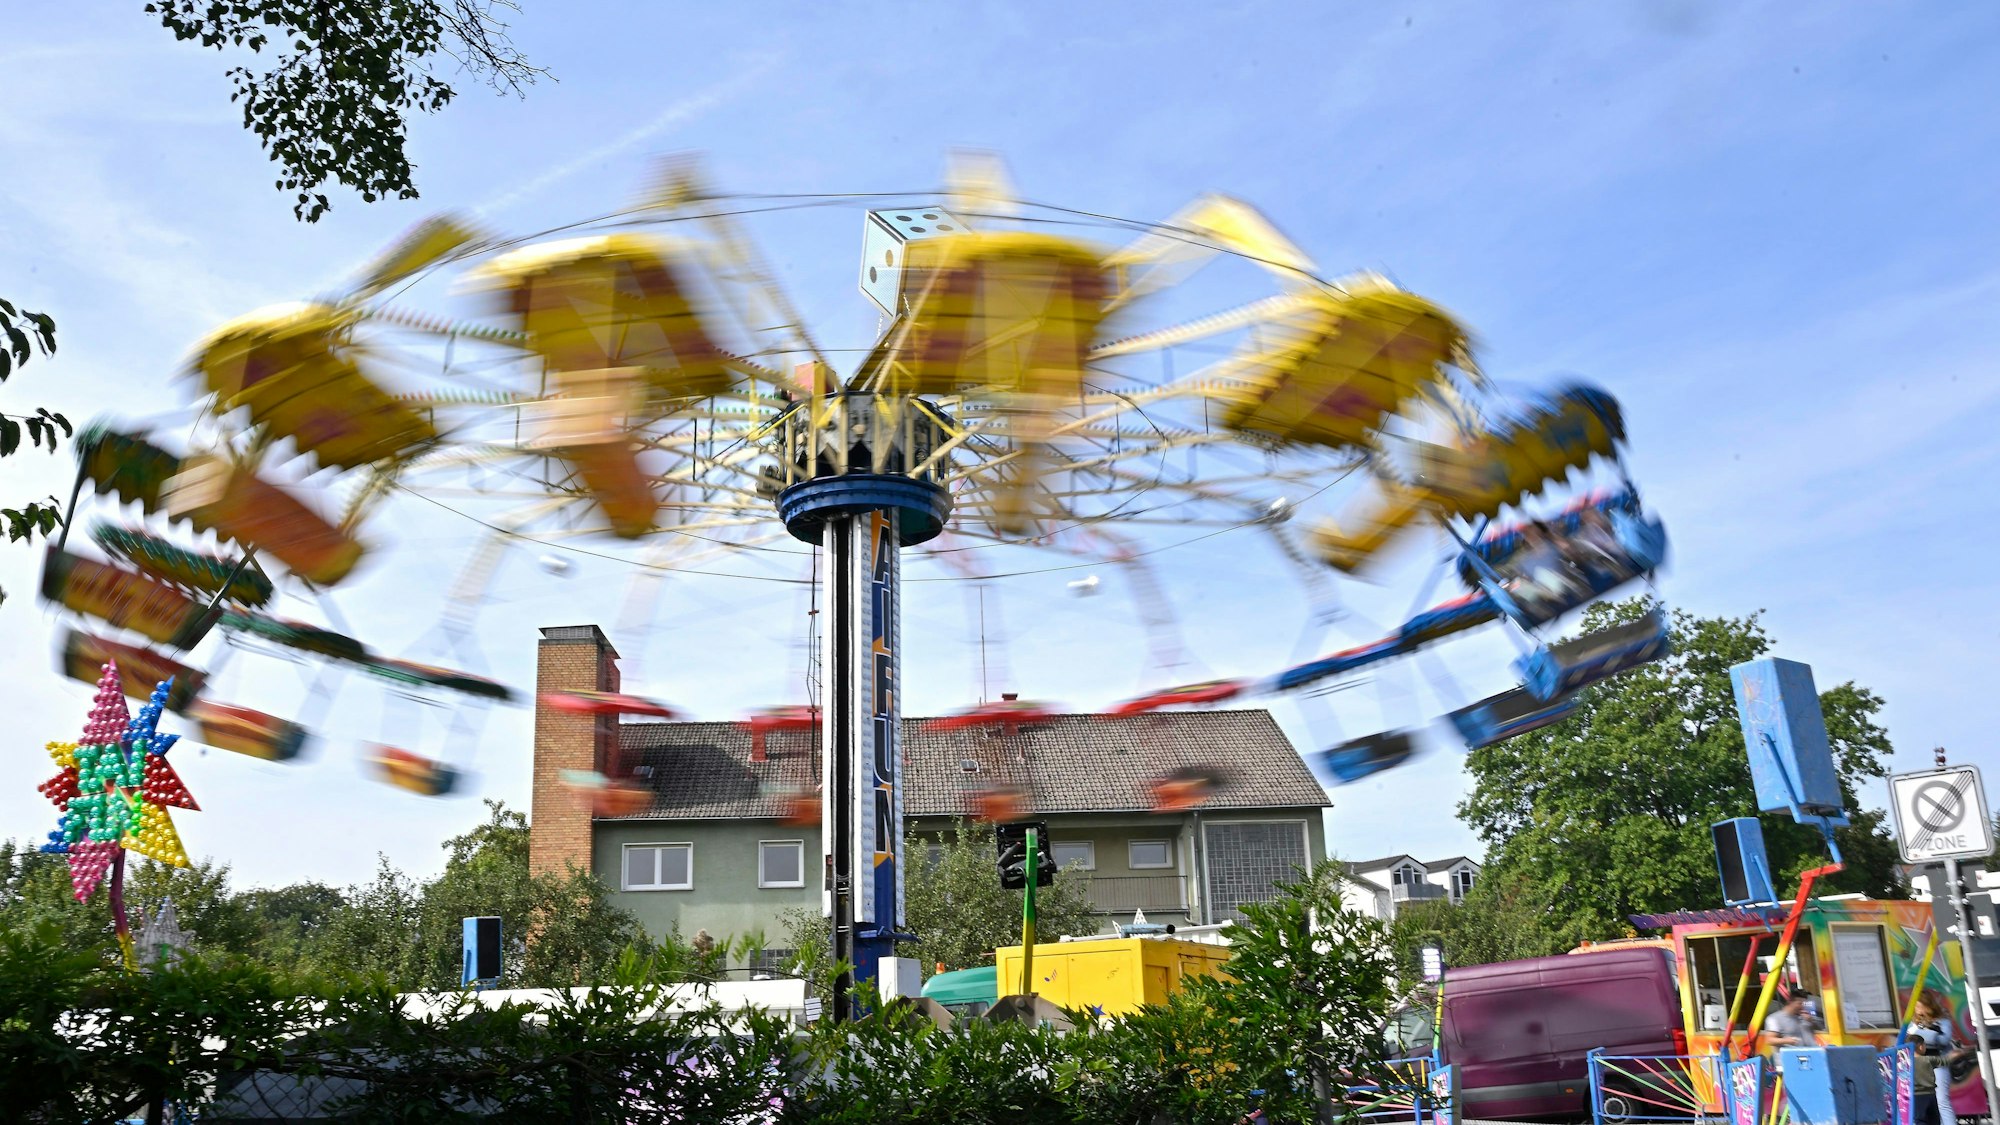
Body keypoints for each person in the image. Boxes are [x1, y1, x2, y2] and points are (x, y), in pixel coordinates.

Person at [1908, 993, 1970, 1125]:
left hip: (1939, 1061)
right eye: (1916, 1006)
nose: (1917, 1009)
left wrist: (1919, 1034)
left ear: (1928, 1006)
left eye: (1920, 1006)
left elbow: (1944, 1039)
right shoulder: (1913, 1022)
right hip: (1921, 1065)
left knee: (1942, 1100)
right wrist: (1932, 1035)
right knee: (1925, 1102)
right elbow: (1909, 1039)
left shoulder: (1942, 1020)